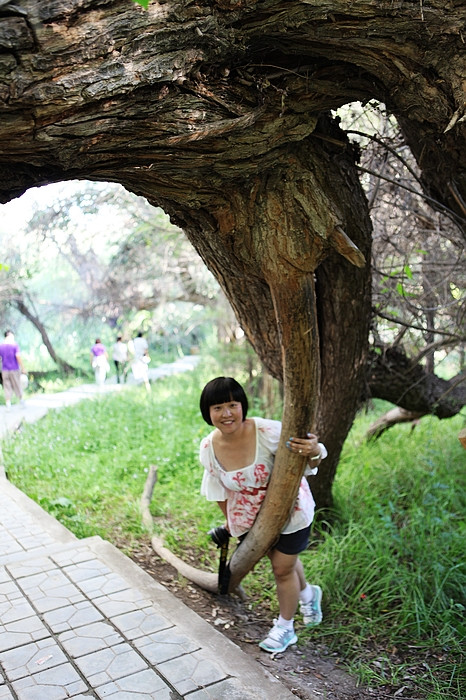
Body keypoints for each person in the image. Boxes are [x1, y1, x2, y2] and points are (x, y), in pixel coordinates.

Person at [199, 376, 327, 654]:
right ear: (208, 413)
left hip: (291, 511)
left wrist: (315, 450)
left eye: (232, 405)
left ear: (242, 405)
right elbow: (219, 489)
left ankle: (285, 627)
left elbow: (310, 457)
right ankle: (308, 593)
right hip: (250, 521)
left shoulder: (268, 431)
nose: (226, 413)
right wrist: (231, 523)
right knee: (285, 563)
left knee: (282, 569)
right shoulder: (209, 447)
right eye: (217, 408)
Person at [0, 330, 27, 411]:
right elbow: (18, 357)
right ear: (9, 335)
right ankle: (21, 400)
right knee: (17, 384)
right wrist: (23, 368)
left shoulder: (1, 346)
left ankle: (8, 404)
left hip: (5, 369)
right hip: (14, 369)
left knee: (6, 386)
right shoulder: (14, 345)